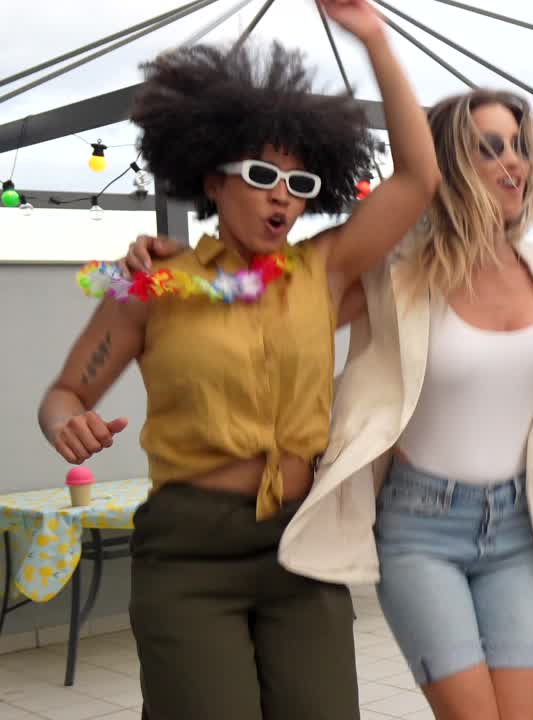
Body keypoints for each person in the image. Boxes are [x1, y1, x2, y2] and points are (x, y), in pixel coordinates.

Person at [128, 89, 533, 720]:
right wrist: (162, 269)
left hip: (521, 527)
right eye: (489, 148)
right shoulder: (394, 269)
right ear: (448, 164)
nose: (513, 163)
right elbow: (262, 298)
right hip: (421, 527)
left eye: (521, 147)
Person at [36, 2, 438, 718]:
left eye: (300, 183)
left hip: (300, 545)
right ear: (211, 178)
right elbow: (67, 391)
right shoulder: (152, 284)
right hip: (188, 552)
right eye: (261, 174)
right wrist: (66, 420)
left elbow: (416, 181)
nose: (282, 195)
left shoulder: (326, 271)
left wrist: (372, 35)